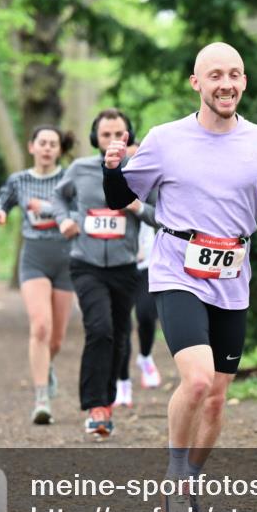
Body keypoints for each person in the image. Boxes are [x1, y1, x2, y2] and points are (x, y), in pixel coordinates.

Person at [102, 42, 257, 512]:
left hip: (232, 277)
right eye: (215, 75)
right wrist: (111, 168)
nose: (226, 84)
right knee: (196, 380)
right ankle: (175, 479)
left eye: (234, 74)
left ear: (244, 82)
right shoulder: (165, 139)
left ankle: (191, 480)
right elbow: (118, 198)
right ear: (196, 83)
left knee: (216, 398)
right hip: (177, 269)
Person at [52, 109, 157, 439]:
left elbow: (161, 215)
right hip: (86, 263)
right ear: (95, 138)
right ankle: (95, 405)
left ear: (129, 137)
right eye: (105, 134)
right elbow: (58, 196)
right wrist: (63, 221)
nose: (112, 140)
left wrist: (136, 207)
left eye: (118, 134)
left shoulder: (141, 171)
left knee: (120, 336)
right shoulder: (80, 169)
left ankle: (107, 403)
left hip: (125, 267)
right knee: (99, 329)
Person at [0, 125, 76, 425]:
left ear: (59, 149)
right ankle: (41, 399)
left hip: (66, 259)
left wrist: (49, 209)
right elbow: (1, 200)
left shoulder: (70, 178)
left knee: (56, 340)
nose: (47, 148)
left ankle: (47, 367)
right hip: (34, 258)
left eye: (53, 143)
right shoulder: (19, 180)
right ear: (32, 147)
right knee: (40, 326)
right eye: (43, 143)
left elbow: (80, 214)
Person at [113, 218, 162, 409]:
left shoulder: (146, 198)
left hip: (147, 266)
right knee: (122, 326)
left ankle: (145, 357)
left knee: (146, 315)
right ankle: (123, 382)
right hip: (120, 267)